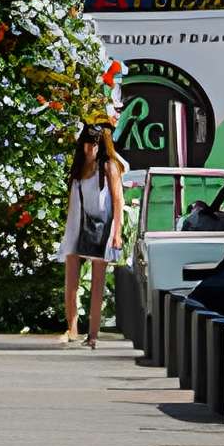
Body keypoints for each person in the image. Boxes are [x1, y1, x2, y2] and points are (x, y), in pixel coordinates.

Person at [59, 122, 123, 347]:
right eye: (86, 143)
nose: (89, 148)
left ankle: (93, 334)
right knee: (71, 281)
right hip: (77, 226)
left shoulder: (108, 167)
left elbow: (118, 201)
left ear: (100, 145)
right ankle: (72, 328)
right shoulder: (78, 167)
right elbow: (72, 200)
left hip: (101, 227)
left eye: (93, 144)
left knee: (97, 283)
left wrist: (117, 232)